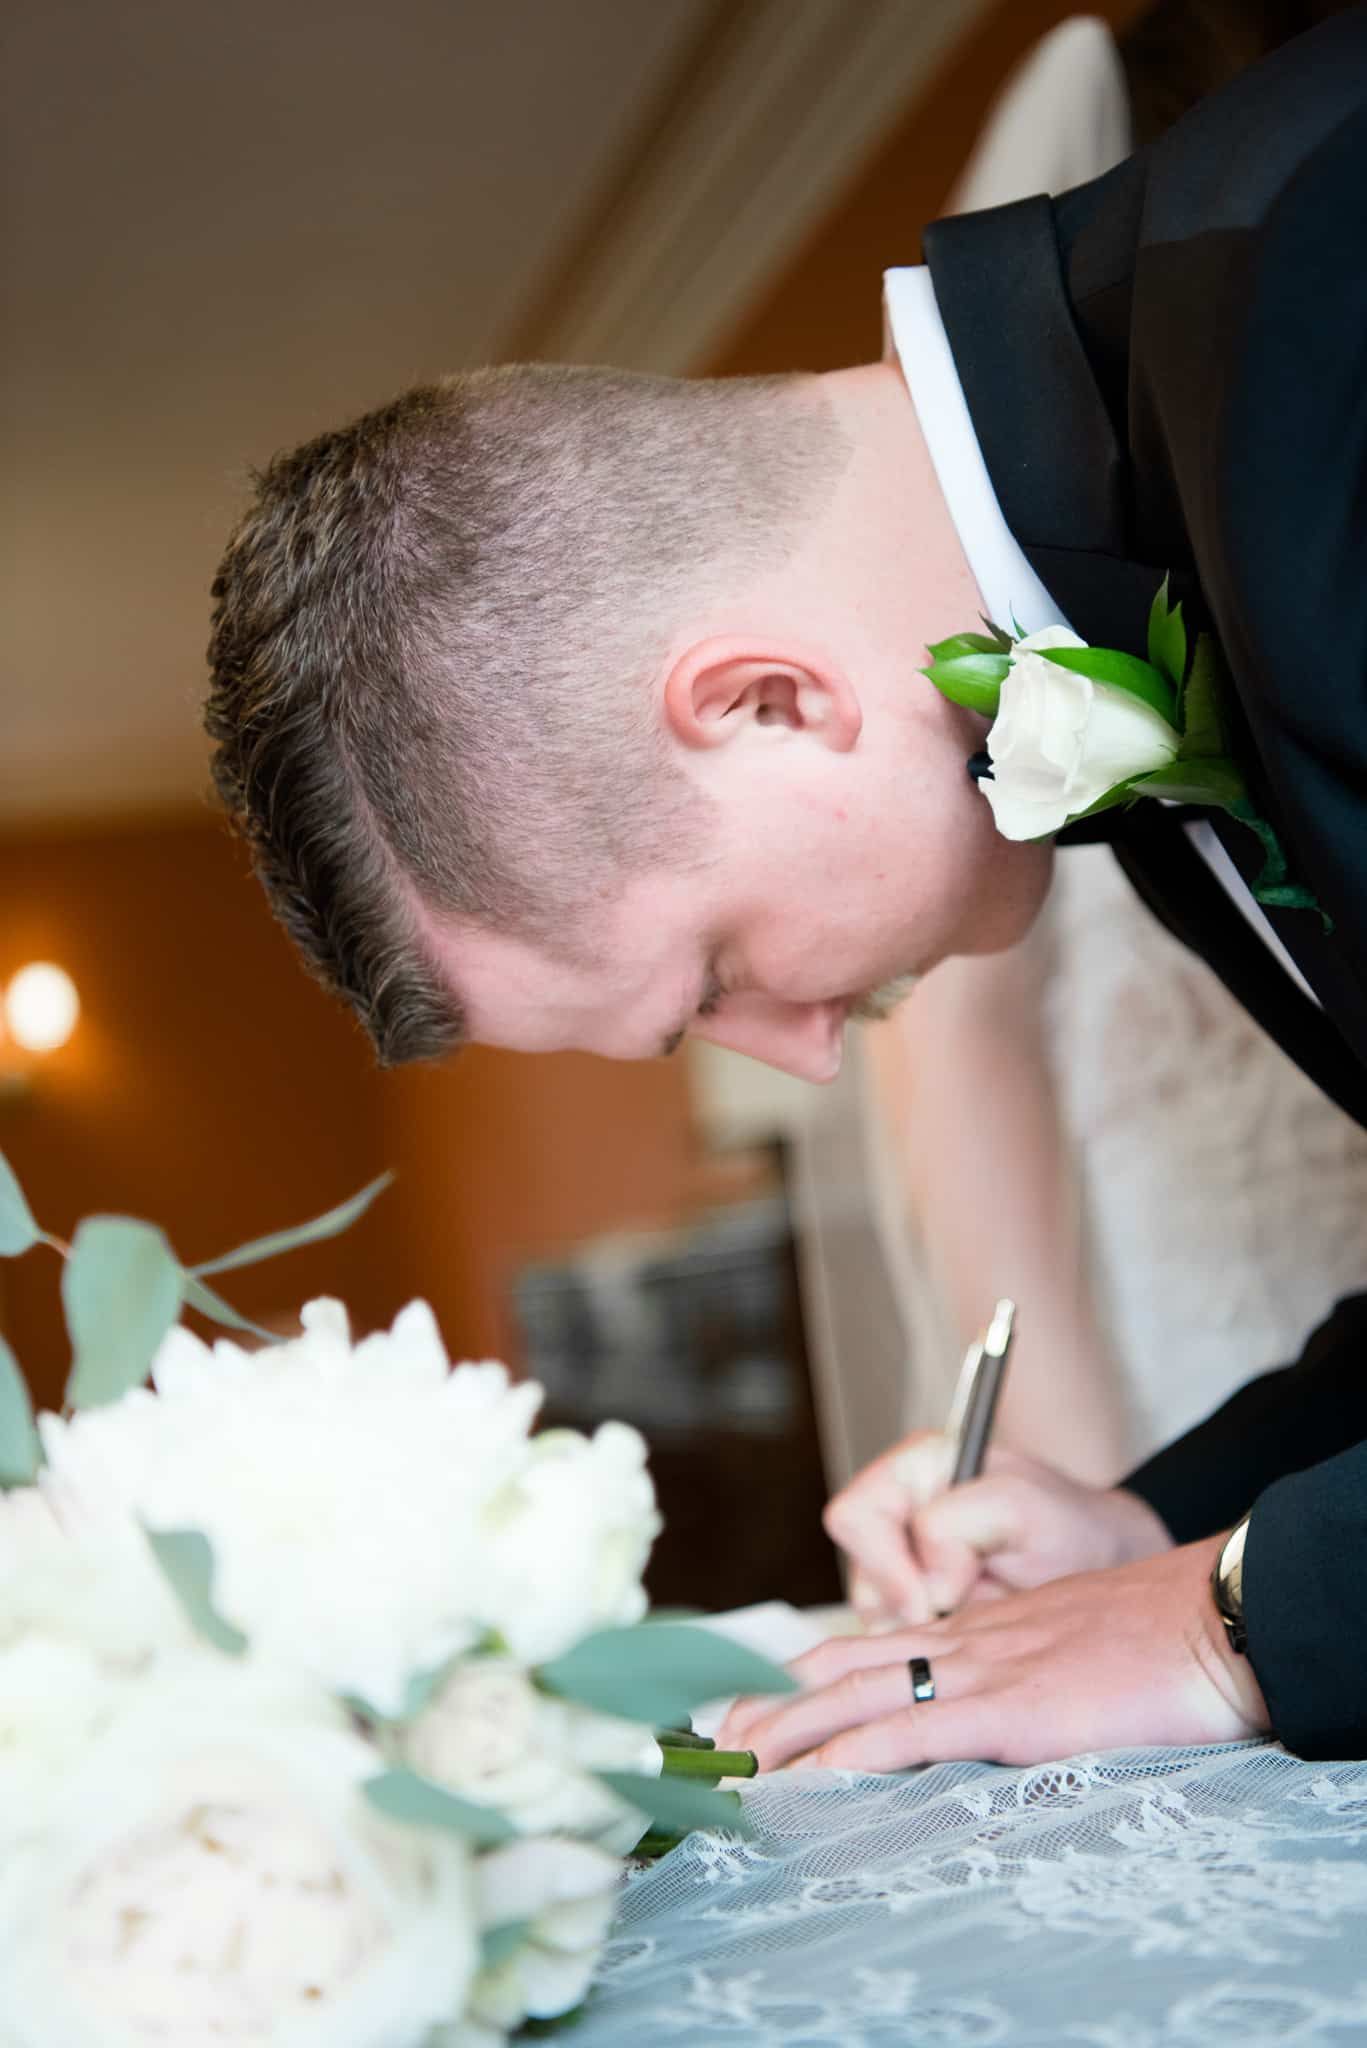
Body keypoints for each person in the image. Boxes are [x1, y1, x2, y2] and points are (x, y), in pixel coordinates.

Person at [204, 11, 1367, 1768]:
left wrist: (1234, 1626)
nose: (807, 1059)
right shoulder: (1133, 530)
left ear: (761, 701)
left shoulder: (1325, 322)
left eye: (720, 973)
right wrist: (1157, 1530)